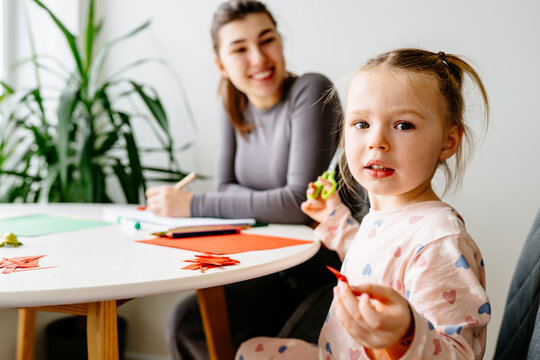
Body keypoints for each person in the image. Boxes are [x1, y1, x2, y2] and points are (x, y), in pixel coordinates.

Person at [235, 48, 491, 359]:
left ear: (448, 142)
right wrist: (334, 219)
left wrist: (406, 334)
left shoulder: (440, 242)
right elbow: (376, 261)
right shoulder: (386, 214)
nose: (376, 141)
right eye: (361, 124)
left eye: (403, 125)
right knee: (252, 351)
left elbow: (458, 354)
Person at [147, 1, 346, 359]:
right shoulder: (233, 107)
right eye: (239, 48)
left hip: (317, 273)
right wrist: (271, 200)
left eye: (266, 40)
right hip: (262, 266)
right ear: (221, 65)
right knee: (185, 323)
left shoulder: (311, 91)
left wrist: (192, 203)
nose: (258, 57)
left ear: (280, 43)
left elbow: (298, 204)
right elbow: (226, 189)